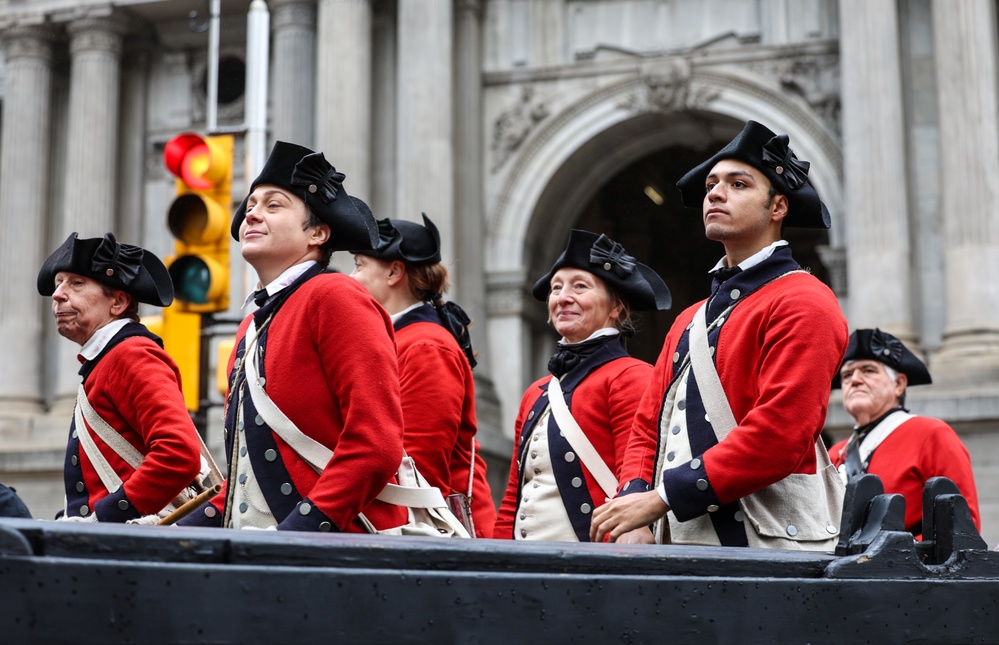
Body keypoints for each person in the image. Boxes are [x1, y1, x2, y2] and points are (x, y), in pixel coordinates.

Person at [591, 120, 849, 549]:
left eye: (738, 184)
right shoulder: (690, 319)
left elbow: (780, 435)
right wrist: (633, 501)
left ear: (778, 207)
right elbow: (648, 425)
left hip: (769, 543)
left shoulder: (805, 300)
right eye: (711, 184)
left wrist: (662, 497)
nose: (715, 192)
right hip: (683, 541)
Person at [179, 141, 408, 532]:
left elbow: (374, 446)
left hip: (332, 554)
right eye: (250, 206)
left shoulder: (335, 296)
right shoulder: (252, 327)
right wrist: (170, 531)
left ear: (317, 232)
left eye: (273, 205)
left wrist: (299, 533)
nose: (251, 215)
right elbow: (245, 486)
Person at [495, 229, 672, 541]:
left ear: (616, 306)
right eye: (556, 288)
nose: (563, 297)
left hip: (591, 567)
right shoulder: (535, 393)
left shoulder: (631, 376)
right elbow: (513, 498)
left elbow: (636, 476)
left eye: (580, 287)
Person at [37, 232, 202, 523]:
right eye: (58, 283)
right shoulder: (106, 359)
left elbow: (178, 453)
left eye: (76, 283)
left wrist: (107, 516)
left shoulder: (131, 353)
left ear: (118, 302)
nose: (58, 294)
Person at [350, 213, 496, 538]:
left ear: (394, 271)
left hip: (427, 532)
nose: (351, 277)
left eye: (359, 266)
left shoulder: (426, 346)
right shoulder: (404, 339)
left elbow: (419, 471)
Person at [830, 328, 981, 537]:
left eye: (868, 371)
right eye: (846, 375)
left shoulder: (931, 434)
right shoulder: (835, 453)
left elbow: (963, 529)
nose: (854, 380)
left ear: (899, 384)